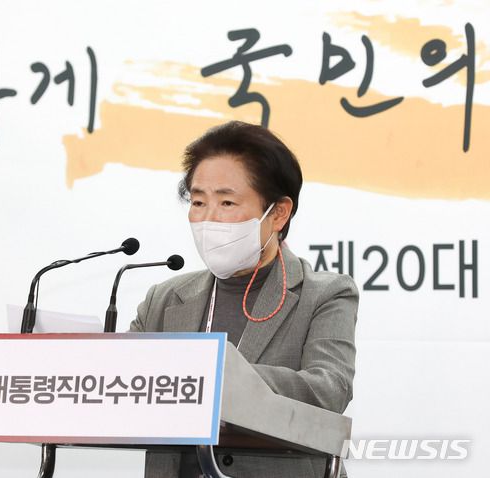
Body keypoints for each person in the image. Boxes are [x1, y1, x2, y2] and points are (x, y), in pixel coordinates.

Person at [129, 121, 359, 478]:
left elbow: (329, 390)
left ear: (278, 213)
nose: (208, 218)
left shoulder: (325, 294)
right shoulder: (164, 299)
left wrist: (217, 377)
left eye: (227, 202)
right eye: (198, 202)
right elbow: (126, 389)